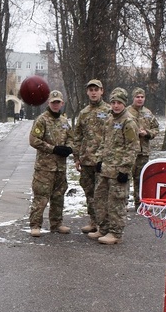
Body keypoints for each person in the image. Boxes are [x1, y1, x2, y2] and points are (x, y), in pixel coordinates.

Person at [90, 87, 139, 244]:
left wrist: (125, 169)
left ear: (124, 104)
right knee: (100, 200)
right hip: (106, 169)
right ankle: (103, 229)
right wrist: (99, 160)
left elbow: (133, 147)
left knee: (116, 202)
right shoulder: (109, 119)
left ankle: (115, 233)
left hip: (118, 171)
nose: (116, 105)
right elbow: (104, 142)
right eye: (113, 102)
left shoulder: (129, 122)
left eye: (119, 103)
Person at [28, 90, 73, 237]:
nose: (55, 105)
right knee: (41, 197)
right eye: (53, 102)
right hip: (45, 168)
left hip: (60, 167)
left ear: (62, 103)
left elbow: (71, 138)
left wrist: (69, 148)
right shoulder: (42, 120)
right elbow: (34, 140)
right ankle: (35, 225)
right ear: (49, 103)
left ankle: (56, 223)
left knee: (58, 197)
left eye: (58, 102)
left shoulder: (65, 122)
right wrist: (53, 149)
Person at [73, 78, 112, 233]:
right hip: (87, 160)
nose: (94, 92)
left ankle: (105, 225)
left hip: (103, 161)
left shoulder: (109, 111)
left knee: (102, 194)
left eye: (96, 89)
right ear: (87, 92)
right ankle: (93, 221)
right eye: (91, 90)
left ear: (102, 91)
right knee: (89, 193)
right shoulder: (84, 113)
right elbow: (77, 137)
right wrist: (77, 157)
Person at [127, 87, 160, 209]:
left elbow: (156, 128)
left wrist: (147, 133)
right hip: (129, 151)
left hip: (143, 152)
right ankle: (123, 204)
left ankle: (140, 203)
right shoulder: (126, 112)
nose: (140, 99)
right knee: (125, 178)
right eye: (137, 97)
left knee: (141, 178)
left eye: (142, 97)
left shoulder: (148, 113)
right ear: (133, 98)